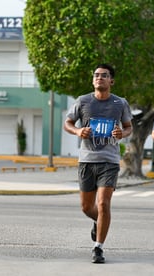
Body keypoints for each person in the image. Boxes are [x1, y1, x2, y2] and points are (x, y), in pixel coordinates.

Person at [63, 64, 133, 264]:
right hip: (87, 160)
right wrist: (77, 131)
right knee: (87, 207)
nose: (99, 78)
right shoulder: (83, 101)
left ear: (111, 81)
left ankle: (98, 248)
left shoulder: (120, 103)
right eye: (96, 75)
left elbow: (128, 127)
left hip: (109, 161)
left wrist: (122, 133)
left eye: (104, 75)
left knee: (103, 203)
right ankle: (98, 220)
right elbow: (68, 123)